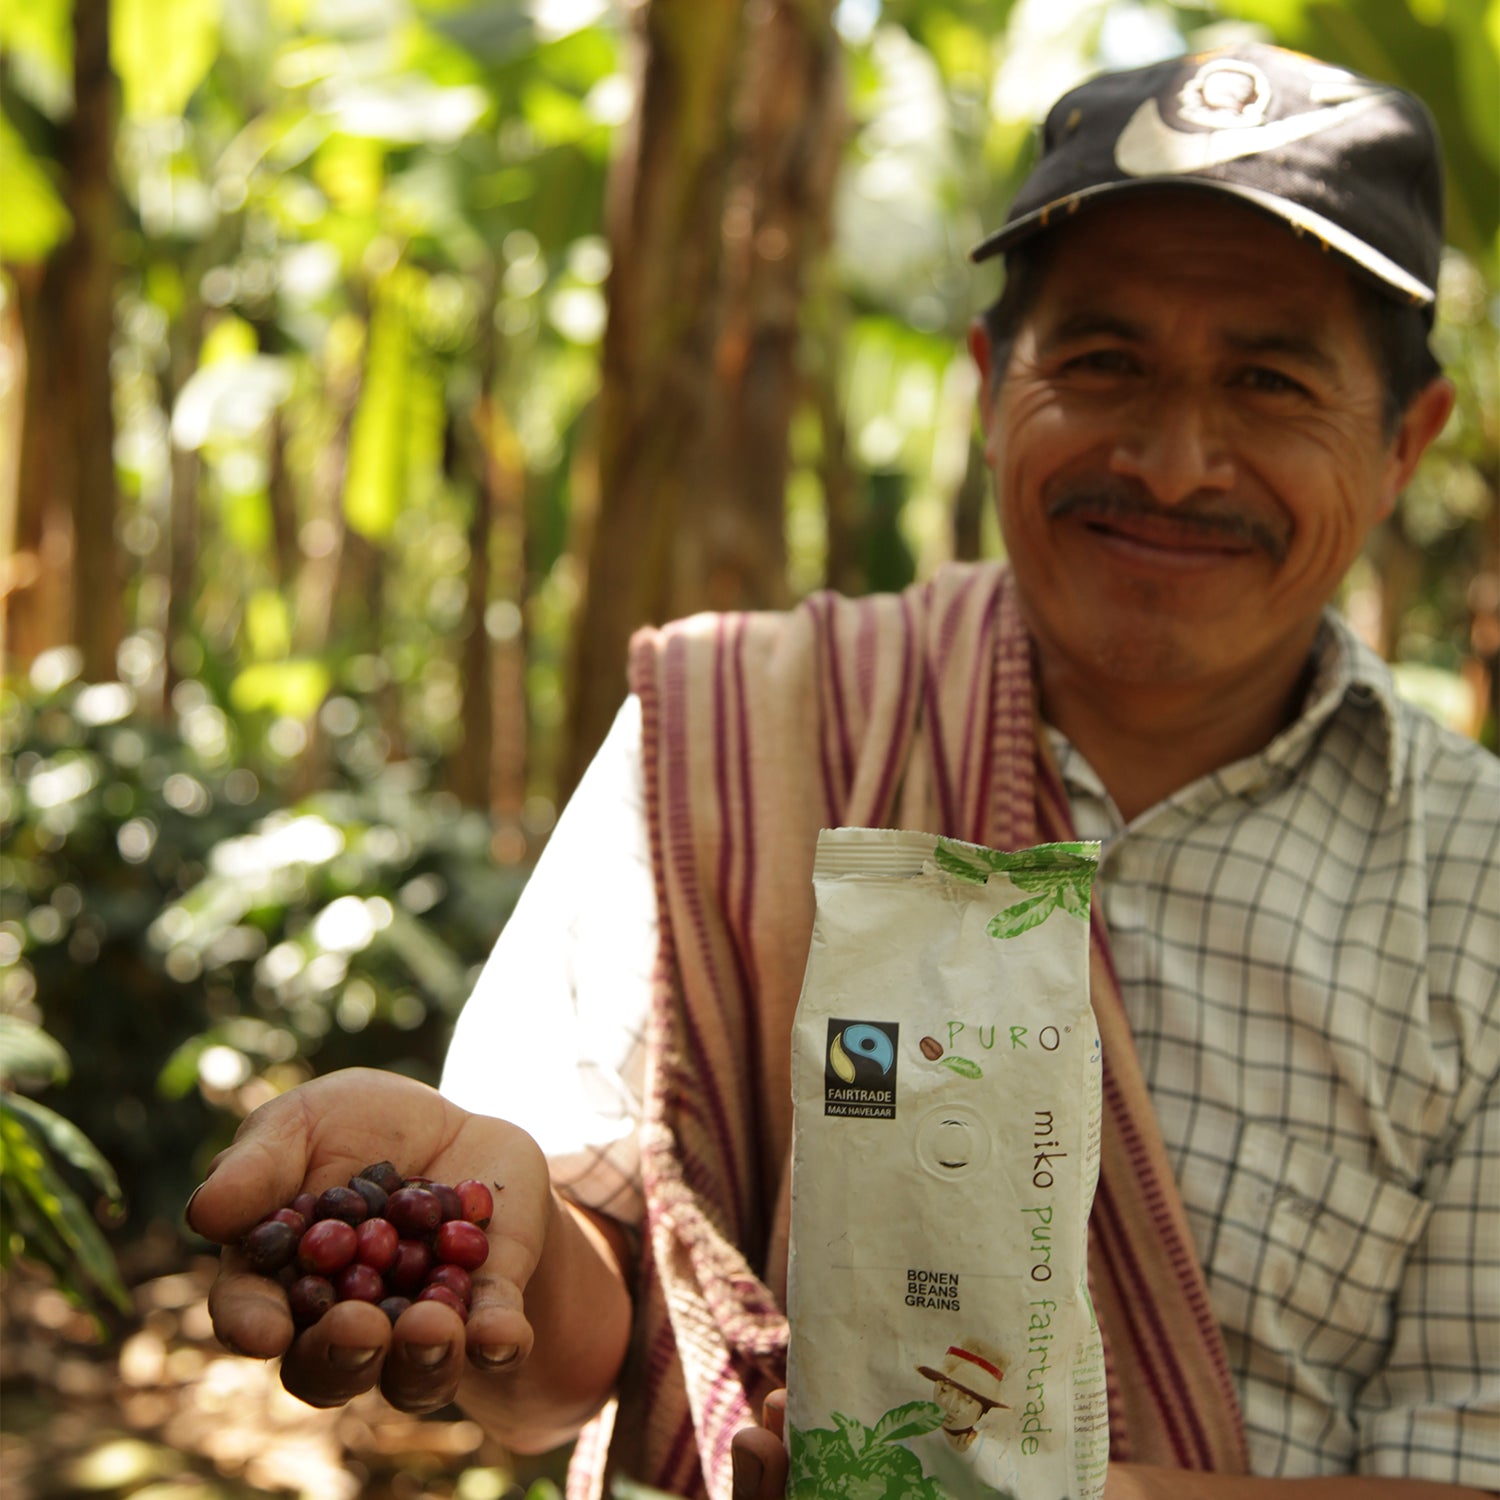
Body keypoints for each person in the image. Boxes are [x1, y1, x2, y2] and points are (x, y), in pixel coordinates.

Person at [187, 40, 1499, 1500]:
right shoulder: (741, 729)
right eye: (1105, 360)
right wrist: (520, 1244)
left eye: (1267, 381)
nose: (1175, 458)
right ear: (996, 380)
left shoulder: (1479, 893)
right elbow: (566, 1352)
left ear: (1405, 445)